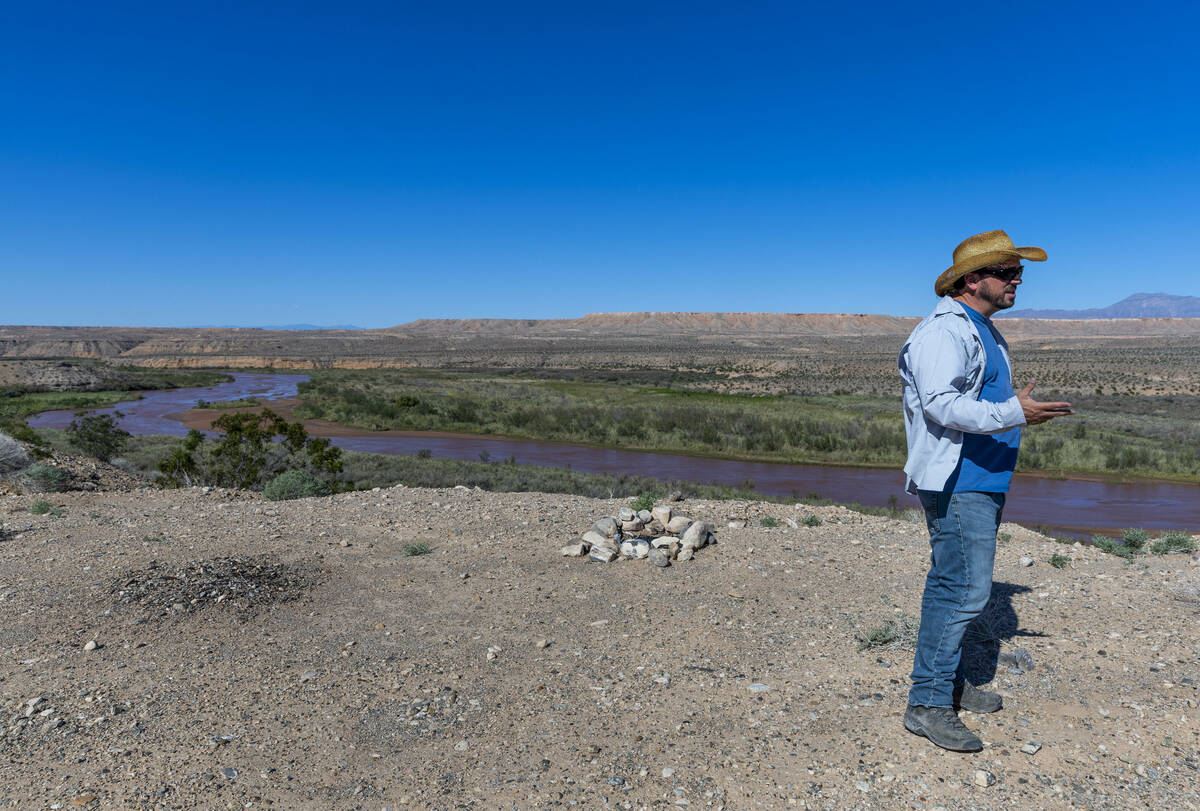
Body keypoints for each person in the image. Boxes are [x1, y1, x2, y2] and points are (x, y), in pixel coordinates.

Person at [897, 229, 1074, 752]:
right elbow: (941, 405)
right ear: (973, 279)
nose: (1018, 280)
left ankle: (946, 685)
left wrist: (1014, 409)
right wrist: (1014, 411)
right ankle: (926, 704)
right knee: (962, 590)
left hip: (983, 476)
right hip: (959, 480)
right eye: (1008, 272)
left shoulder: (983, 329)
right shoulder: (943, 332)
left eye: (1019, 272)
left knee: (957, 585)